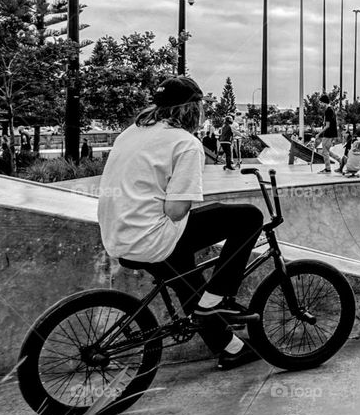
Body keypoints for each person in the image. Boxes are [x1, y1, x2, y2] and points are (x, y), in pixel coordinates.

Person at [97, 76, 264, 370]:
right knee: (248, 217)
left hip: (118, 236)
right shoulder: (186, 143)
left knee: (190, 285)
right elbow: (175, 211)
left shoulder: (129, 133)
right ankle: (221, 296)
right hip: (153, 237)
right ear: (193, 109)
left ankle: (231, 348)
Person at [317, 94, 338, 173]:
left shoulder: (328, 110)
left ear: (324, 102)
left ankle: (328, 169)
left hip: (328, 133)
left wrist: (318, 134)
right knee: (327, 151)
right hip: (331, 133)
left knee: (324, 152)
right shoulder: (331, 109)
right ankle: (341, 160)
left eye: (321, 102)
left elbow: (327, 125)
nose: (320, 104)